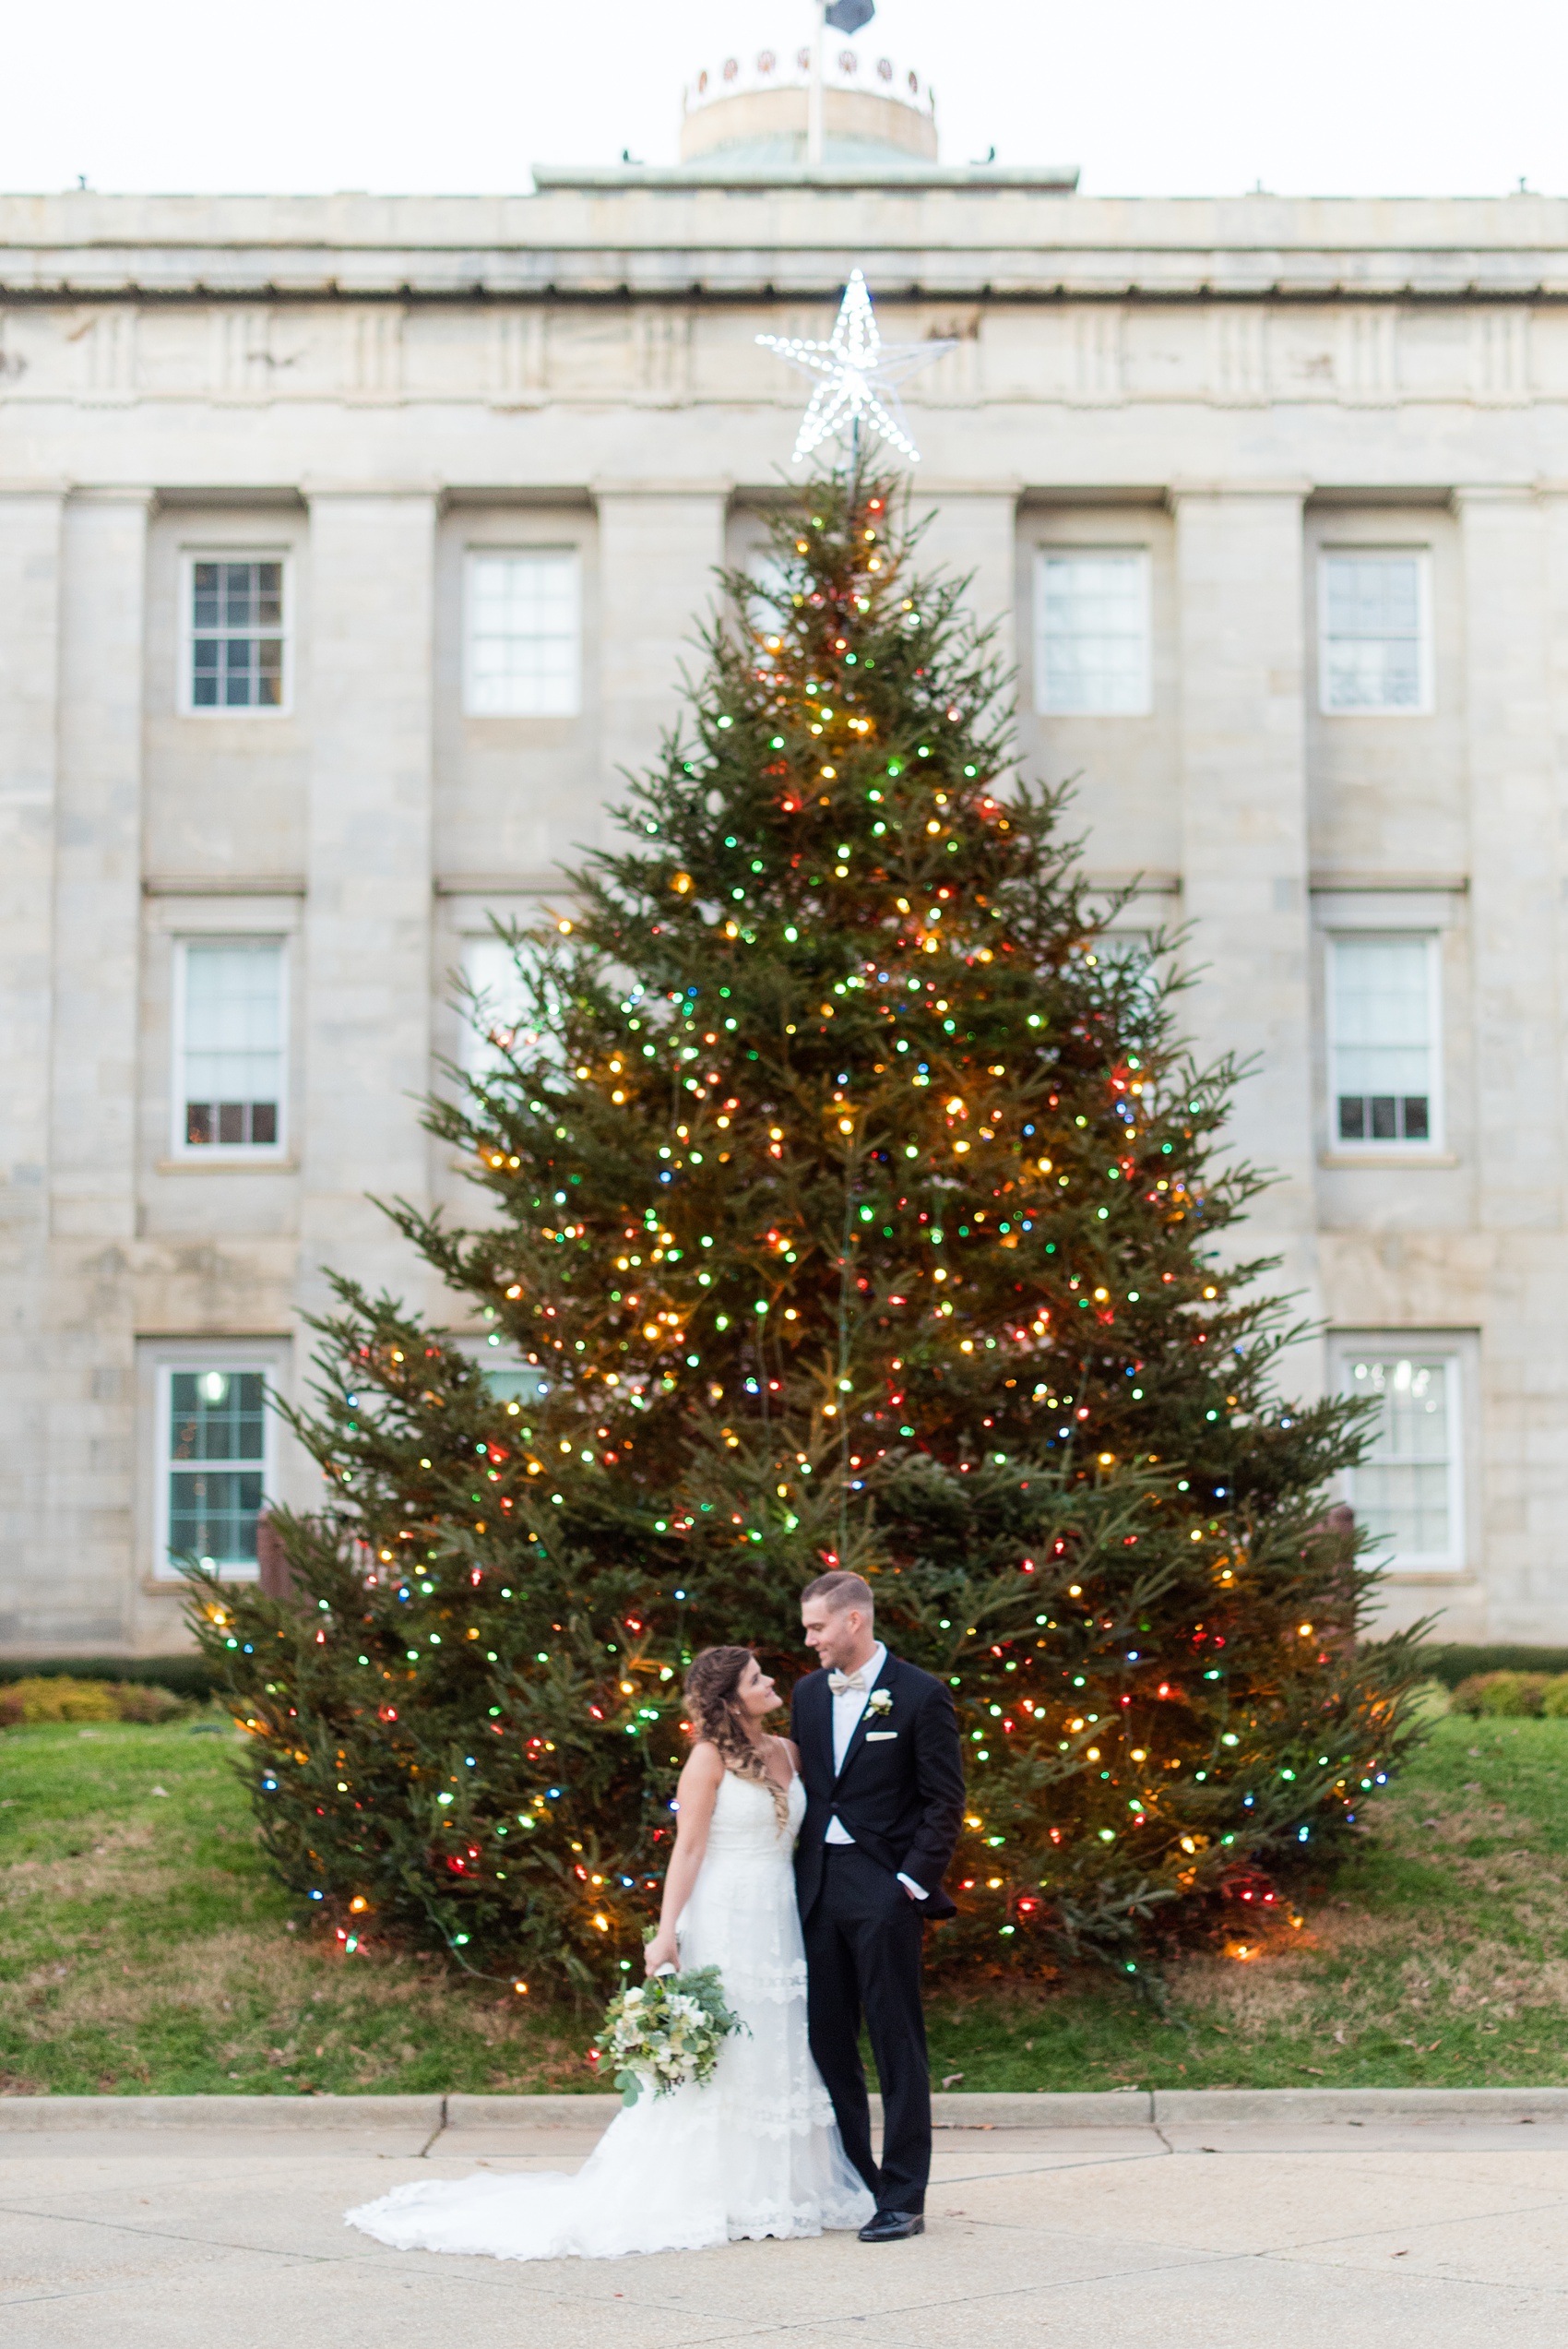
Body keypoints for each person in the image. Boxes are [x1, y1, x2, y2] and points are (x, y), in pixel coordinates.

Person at [344, 1645, 872, 2260]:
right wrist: (667, 1931)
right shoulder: (706, 1761)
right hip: (726, 1913)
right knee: (731, 2043)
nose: (771, 1681)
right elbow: (690, 1850)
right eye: (757, 1678)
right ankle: (723, 2191)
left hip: (780, 1912)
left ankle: (783, 2188)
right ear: (731, 1698)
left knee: (780, 2036)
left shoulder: (788, 1752)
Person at [790, 1568, 966, 2243]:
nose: (809, 1640)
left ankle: (903, 2197)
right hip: (814, 1887)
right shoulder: (808, 1694)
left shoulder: (921, 1695)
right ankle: (858, 2180)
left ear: (853, 1621)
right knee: (827, 2042)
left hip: (884, 1888)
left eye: (817, 1627)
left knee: (898, 2043)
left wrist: (912, 1885)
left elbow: (944, 1801)